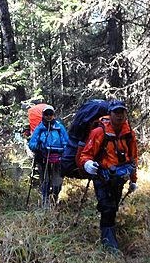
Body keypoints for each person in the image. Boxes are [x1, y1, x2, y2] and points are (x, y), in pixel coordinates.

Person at [78, 99, 139, 252]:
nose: (119, 116)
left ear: (126, 113)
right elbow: (85, 154)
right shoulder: (99, 132)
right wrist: (87, 164)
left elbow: (133, 158)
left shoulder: (129, 134)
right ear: (110, 114)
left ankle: (109, 233)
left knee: (113, 206)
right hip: (102, 176)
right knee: (107, 207)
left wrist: (133, 180)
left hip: (120, 178)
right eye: (116, 112)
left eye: (122, 112)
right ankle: (109, 243)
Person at [28, 105, 70, 207]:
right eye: (46, 114)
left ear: (53, 115)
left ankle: (54, 199)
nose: (48, 116)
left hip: (58, 159)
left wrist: (63, 150)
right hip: (43, 158)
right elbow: (32, 143)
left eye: (50, 114)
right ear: (43, 115)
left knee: (57, 183)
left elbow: (67, 142)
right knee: (45, 181)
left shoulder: (60, 127)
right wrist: (38, 147)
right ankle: (45, 202)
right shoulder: (40, 128)